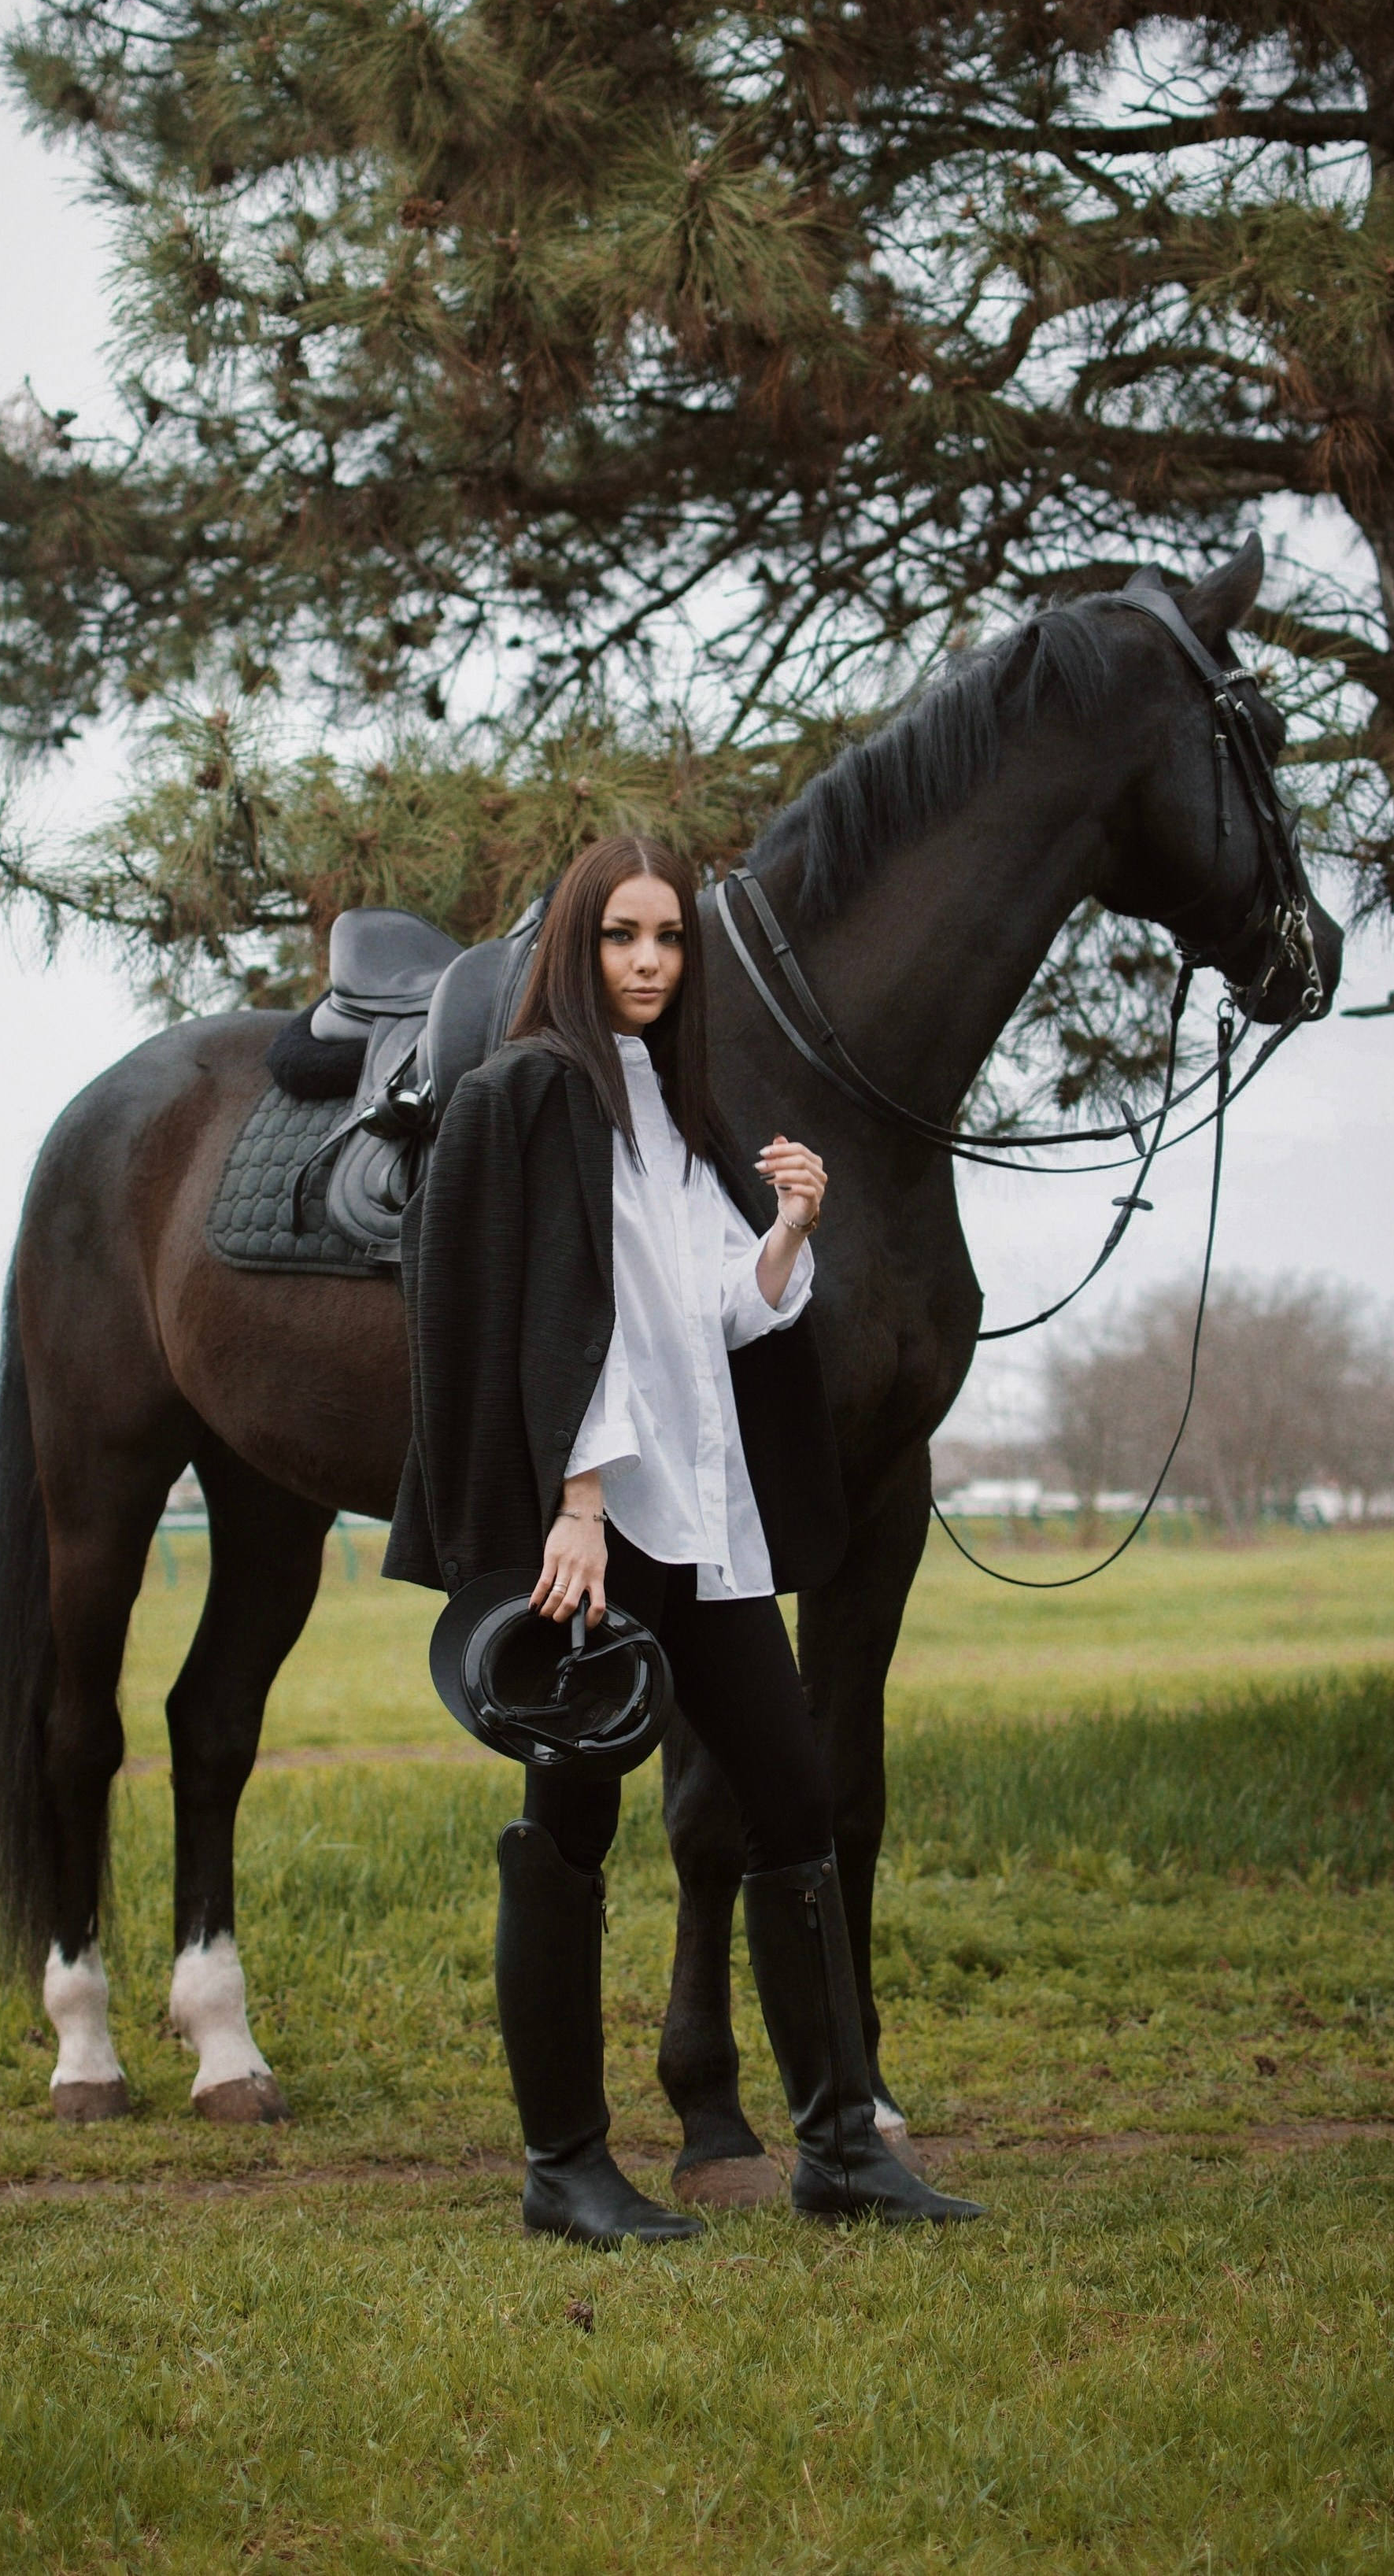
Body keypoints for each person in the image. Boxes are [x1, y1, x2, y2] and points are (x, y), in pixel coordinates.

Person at [385, 835, 983, 2241]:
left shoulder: (683, 1107)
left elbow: (721, 1313)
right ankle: (566, 2168)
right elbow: (546, 1313)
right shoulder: (530, 1093)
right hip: (597, 1535)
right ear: (576, 950)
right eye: (620, 937)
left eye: (667, 939)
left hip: (704, 1530)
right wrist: (576, 1506)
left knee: (793, 1803)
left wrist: (785, 1228)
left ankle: (839, 2146)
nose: (648, 961)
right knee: (571, 1828)